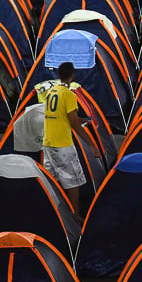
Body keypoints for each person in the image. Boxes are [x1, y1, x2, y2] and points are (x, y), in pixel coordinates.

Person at [42, 62, 99, 218]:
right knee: (72, 180)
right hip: (62, 144)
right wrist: (91, 144)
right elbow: (73, 122)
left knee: (51, 180)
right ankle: (75, 215)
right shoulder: (69, 95)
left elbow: (66, 116)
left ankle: (54, 213)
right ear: (72, 75)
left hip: (48, 143)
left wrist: (81, 119)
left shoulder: (51, 92)